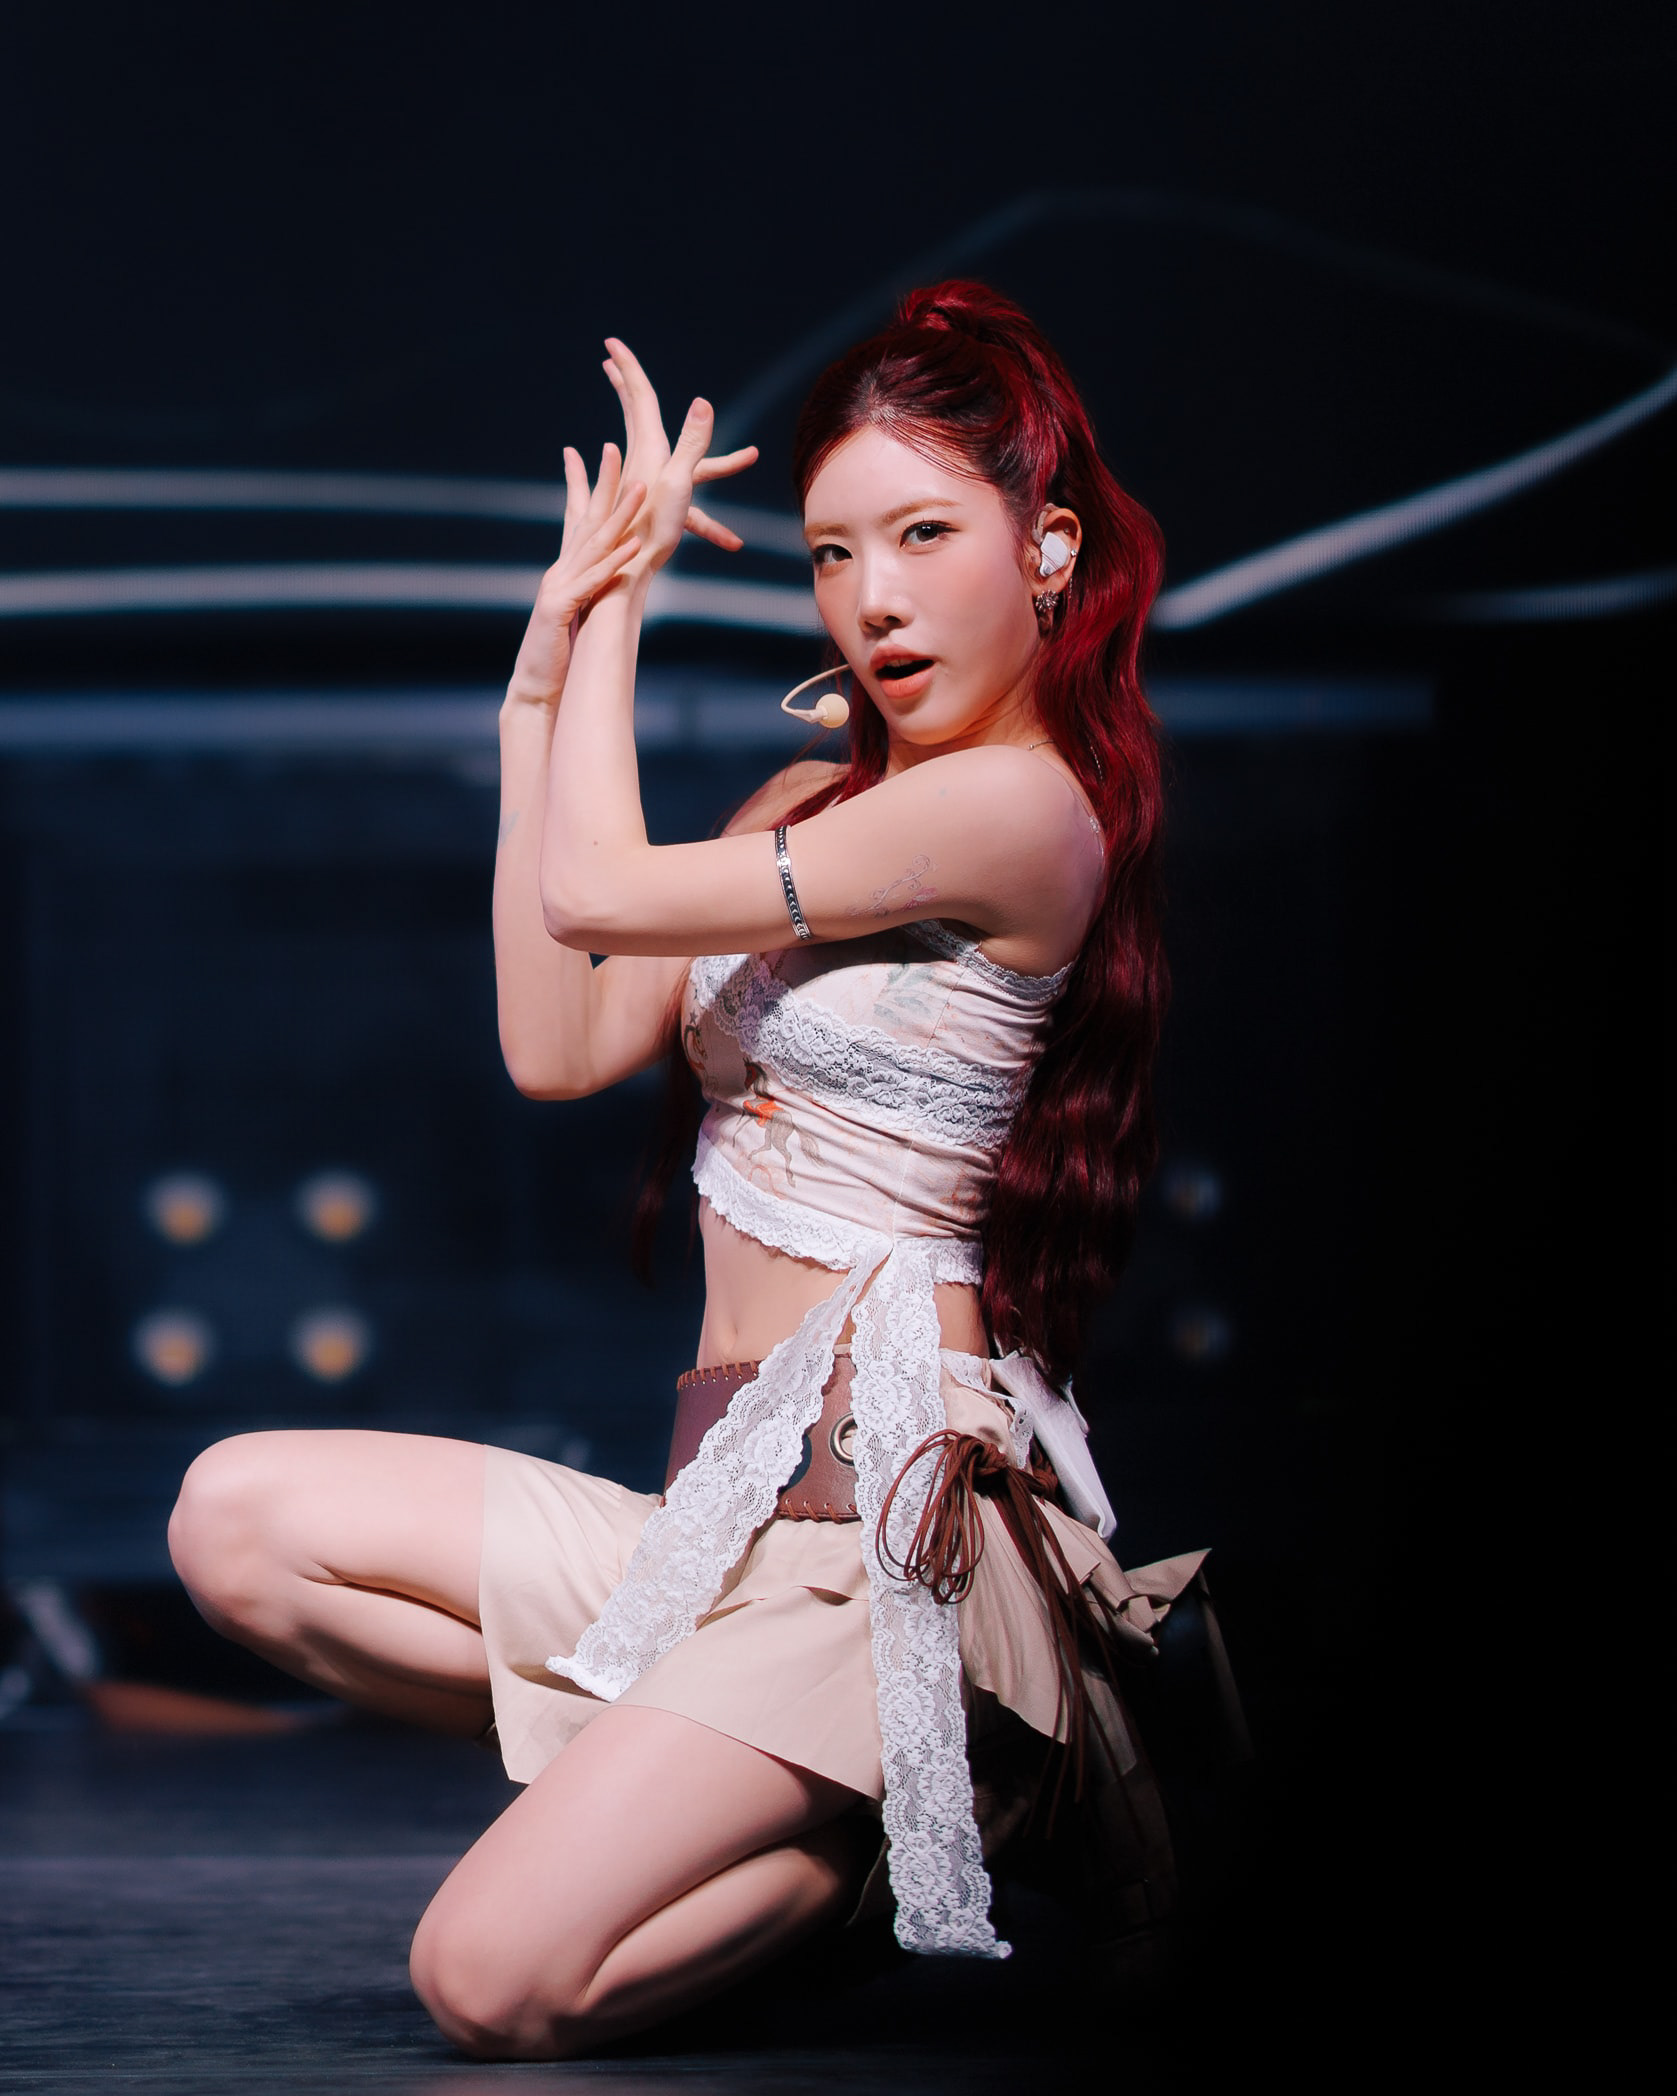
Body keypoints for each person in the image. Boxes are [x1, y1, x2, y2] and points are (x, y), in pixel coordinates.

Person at [167, 281, 1204, 2061]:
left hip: (882, 1549)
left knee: (489, 1982)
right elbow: (558, 1042)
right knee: (235, 1520)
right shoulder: (797, 810)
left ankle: (902, 1804)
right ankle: (843, 1795)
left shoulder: (1018, 811)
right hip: (720, 1532)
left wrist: (618, 614)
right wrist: (547, 672)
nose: (871, 597)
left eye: (922, 535)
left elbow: (595, 890)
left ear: (1044, 552)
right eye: (830, 553)